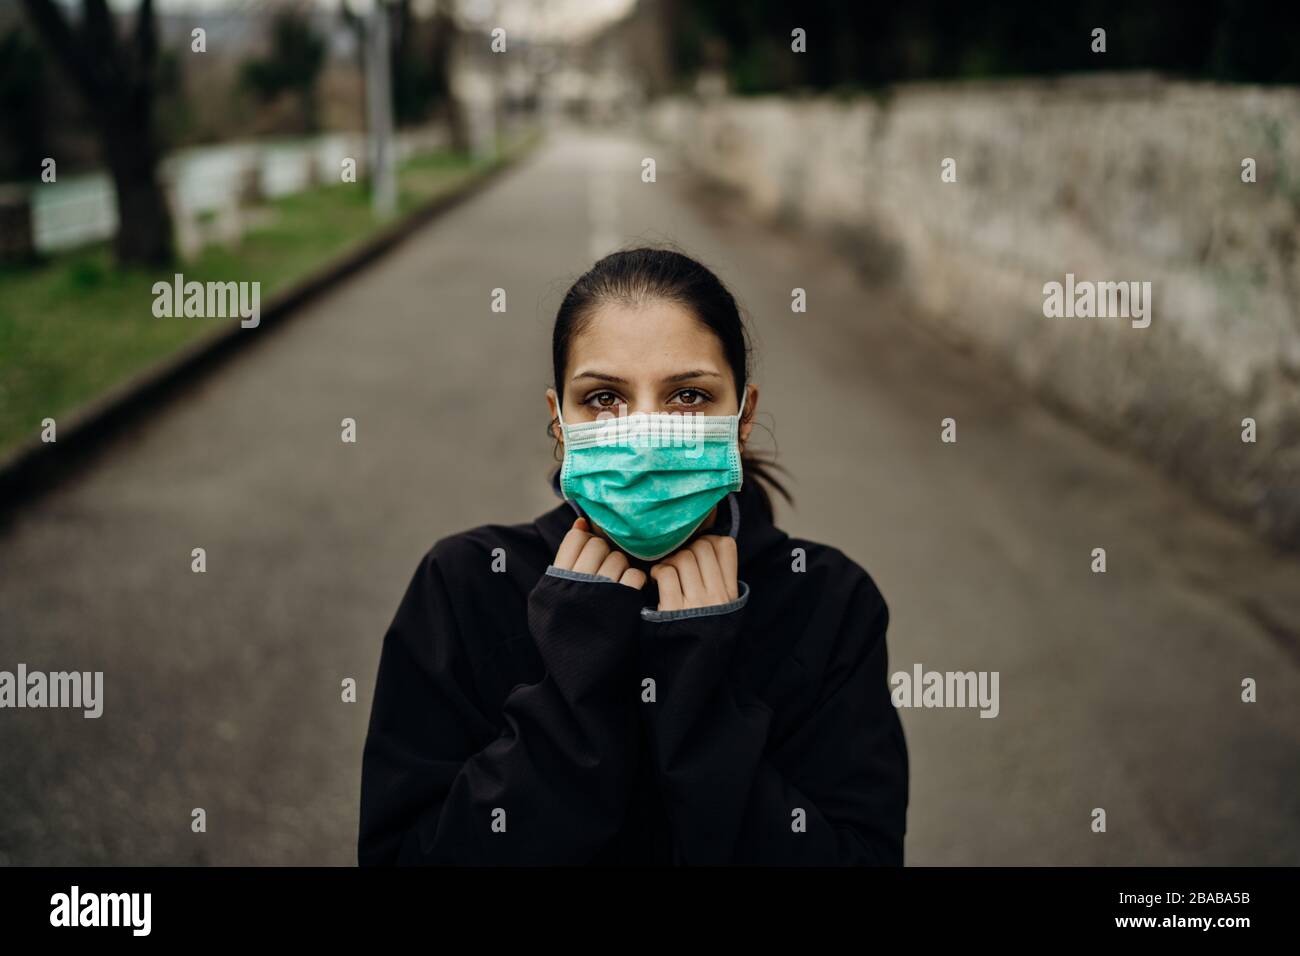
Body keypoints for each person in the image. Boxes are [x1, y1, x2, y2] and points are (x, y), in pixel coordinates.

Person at [357, 247, 909, 865]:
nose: (646, 433)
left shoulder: (829, 602)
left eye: (689, 397)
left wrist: (699, 695)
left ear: (743, 417)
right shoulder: (462, 586)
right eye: (603, 399)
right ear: (559, 421)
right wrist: (573, 684)